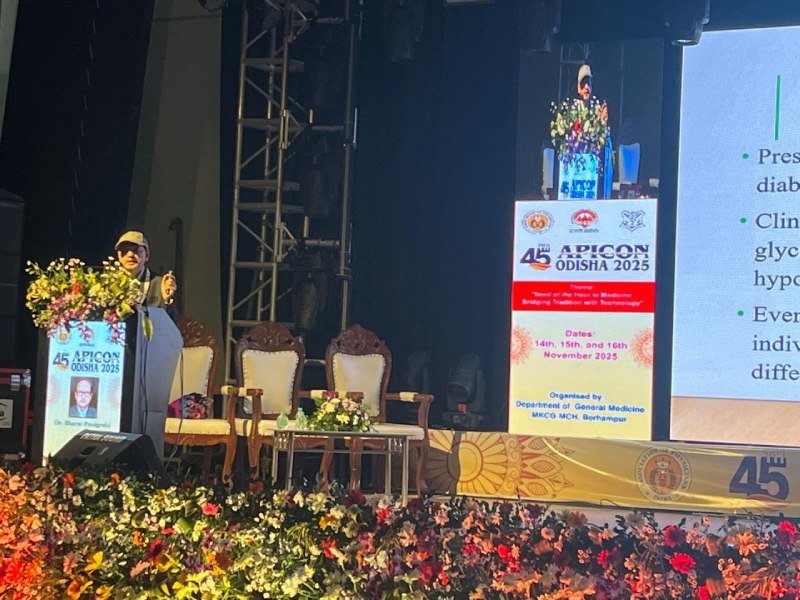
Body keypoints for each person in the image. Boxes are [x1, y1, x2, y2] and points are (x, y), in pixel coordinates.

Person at [115, 231, 178, 315]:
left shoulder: (160, 284)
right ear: (119, 256)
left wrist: (167, 301)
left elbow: (173, 320)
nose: (130, 254)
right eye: (125, 250)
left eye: (136, 250)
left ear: (147, 255)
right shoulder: (109, 282)